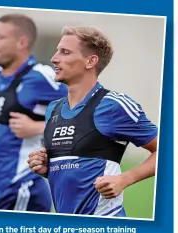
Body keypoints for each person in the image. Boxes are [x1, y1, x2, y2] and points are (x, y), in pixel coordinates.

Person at [27, 26, 158, 217]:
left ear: (90, 61)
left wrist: (124, 179)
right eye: (57, 51)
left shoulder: (114, 105)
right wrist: (48, 167)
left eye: (65, 52)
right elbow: (72, 167)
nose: (54, 58)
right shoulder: (52, 109)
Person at [0, 14, 67, 212]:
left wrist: (36, 127)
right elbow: (5, 130)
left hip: (23, 187)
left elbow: (87, 112)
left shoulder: (40, 77)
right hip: (3, 190)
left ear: (22, 42)